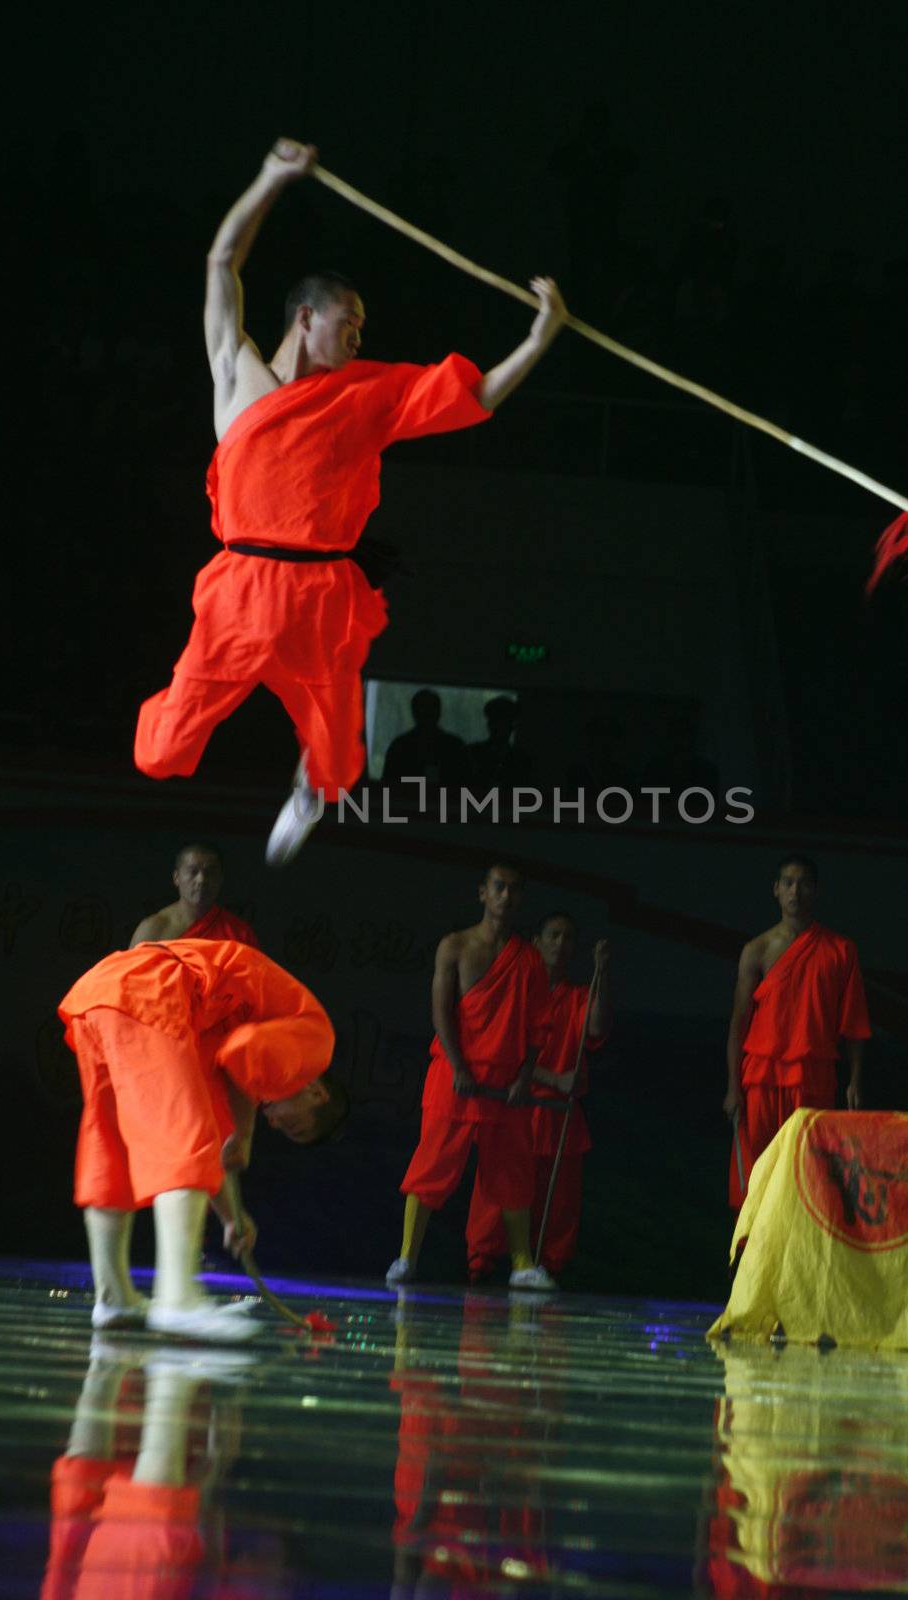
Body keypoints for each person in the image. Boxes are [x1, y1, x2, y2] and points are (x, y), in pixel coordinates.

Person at [134, 137, 567, 867]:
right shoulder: (236, 373)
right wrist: (271, 179)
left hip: (321, 593)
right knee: (164, 749)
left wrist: (540, 334)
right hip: (241, 587)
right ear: (306, 316)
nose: (360, 334)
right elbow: (221, 263)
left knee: (336, 759)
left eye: (362, 328)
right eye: (350, 321)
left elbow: (477, 394)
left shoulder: (366, 395)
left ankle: (309, 789)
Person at [59, 938, 341, 1340]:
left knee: (113, 1149)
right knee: (181, 1143)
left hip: (104, 994)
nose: (279, 1125)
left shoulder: (222, 1032)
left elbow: (209, 1132)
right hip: (150, 990)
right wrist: (245, 1133)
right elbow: (242, 1053)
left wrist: (230, 1215)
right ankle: (176, 1299)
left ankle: (114, 1296)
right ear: (317, 1093)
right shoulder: (316, 1042)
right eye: (295, 1125)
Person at [387, 860, 554, 1290]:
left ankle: (521, 1264)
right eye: (498, 887)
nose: (506, 896)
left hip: (506, 1084)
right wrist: (459, 1065)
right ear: (482, 892)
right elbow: (441, 1010)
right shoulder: (455, 946)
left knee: (512, 1173)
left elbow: (539, 1025)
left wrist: (524, 1076)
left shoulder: (529, 958)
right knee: (431, 1166)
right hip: (454, 1075)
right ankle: (406, 1258)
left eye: (514, 890)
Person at [465, 915, 611, 1281]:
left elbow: (595, 1027)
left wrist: (601, 973)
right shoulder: (513, 994)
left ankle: (548, 1272)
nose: (560, 943)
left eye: (568, 937)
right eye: (553, 935)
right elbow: (502, 1052)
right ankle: (479, 1269)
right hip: (515, 1107)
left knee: (557, 1209)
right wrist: (551, 1078)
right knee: (494, 1200)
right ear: (536, 941)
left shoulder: (578, 995)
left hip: (559, 1118)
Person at [723, 856, 870, 1207]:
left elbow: (854, 1023)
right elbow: (738, 1021)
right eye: (788, 882)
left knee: (808, 1172)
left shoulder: (840, 950)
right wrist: (732, 1087)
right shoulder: (756, 950)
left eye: (803, 883)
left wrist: (855, 1080)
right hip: (760, 1074)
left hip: (813, 1075)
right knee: (756, 1174)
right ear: (775, 890)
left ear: (815, 891)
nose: (795, 891)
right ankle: (749, 1255)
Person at [128, 842, 258, 947]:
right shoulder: (153, 929)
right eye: (192, 872)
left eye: (210, 873)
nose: (201, 880)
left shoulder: (239, 933)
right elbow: (131, 977)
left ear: (220, 879)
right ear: (176, 878)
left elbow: (252, 977)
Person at [382, 688, 470, 791]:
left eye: (429, 710)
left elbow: (388, 785)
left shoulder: (400, 746)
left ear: (413, 712)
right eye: (424, 709)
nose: (427, 714)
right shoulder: (455, 746)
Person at [466, 696, 534, 791]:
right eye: (496, 721)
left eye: (503, 722)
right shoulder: (472, 753)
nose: (499, 727)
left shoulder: (521, 759)